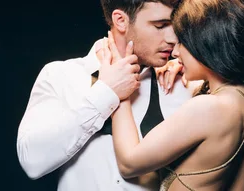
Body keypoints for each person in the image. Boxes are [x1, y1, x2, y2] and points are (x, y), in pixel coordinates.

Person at [16, 0, 201, 190]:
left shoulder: (180, 83)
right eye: (160, 26)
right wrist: (105, 93)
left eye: (175, 25)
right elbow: (32, 161)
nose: (172, 38)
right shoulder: (61, 76)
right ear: (120, 20)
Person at [106, 0, 244, 190]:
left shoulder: (207, 108)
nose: (175, 52)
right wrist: (195, 72)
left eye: (182, 42)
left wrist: (119, 89)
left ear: (205, 44)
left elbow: (129, 163)